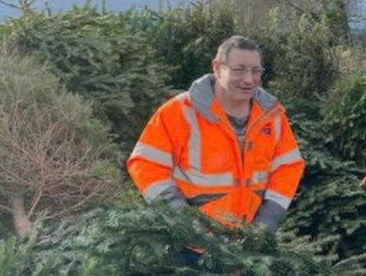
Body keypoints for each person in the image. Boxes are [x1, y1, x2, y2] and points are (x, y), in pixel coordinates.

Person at [128, 35, 304, 233]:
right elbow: (145, 164)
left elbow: (289, 168)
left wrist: (266, 221)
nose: (249, 79)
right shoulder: (179, 111)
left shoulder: (273, 116)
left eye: (256, 71)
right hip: (191, 245)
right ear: (218, 67)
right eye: (239, 70)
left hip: (252, 245)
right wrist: (182, 219)